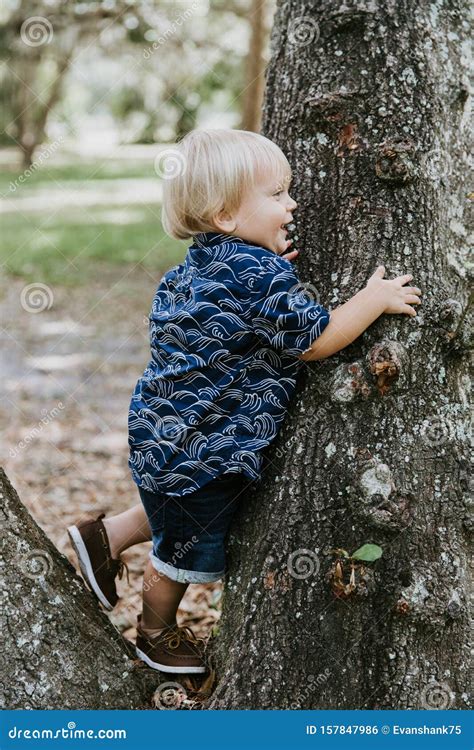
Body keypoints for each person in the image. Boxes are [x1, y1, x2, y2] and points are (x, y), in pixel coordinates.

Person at [67, 129, 422, 674]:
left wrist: (271, 269)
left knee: (179, 510)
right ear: (228, 215)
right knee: (184, 548)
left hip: (165, 432)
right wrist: (373, 300)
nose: (293, 204)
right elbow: (315, 341)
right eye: (277, 195)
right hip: (203, 444)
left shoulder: (195, 267)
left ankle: (104, 536)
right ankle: (155, 631)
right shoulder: (256, 274)